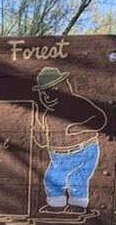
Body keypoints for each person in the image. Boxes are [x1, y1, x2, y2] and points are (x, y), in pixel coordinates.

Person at [32, 67, 107, 211]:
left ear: (65, 86)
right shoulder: (47, 115)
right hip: (58, 157)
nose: (47, 96)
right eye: (43, 92)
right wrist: (37, 126)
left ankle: (78, 207)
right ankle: (56, 207)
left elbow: (100, 119)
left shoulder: (79, 104)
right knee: (51, 180)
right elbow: (42, 141)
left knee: (76, 180)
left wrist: (79, 127)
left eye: (53, 89)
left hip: (83, 151)